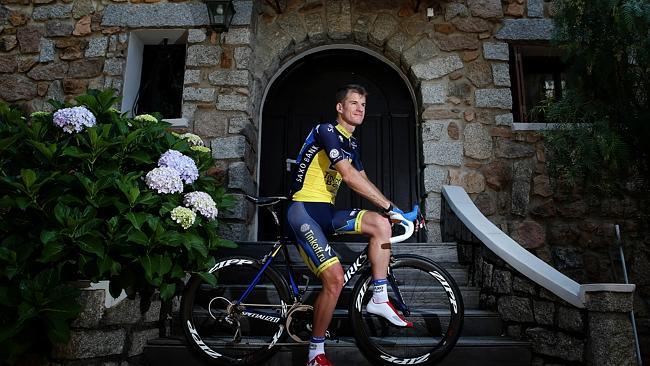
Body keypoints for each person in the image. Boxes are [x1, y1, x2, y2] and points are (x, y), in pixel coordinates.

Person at [286, 84, 412, 366]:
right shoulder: (326, 131)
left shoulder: (352, 144)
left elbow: (363, 182)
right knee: (335, 278)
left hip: (327, 213)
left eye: (363, 105)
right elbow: (349, 177)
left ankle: (379, 297)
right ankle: (315, 353)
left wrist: (391, 212)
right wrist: (390, 205)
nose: (359, 109)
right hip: (303, 211)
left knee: (380, 224)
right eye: (353, 103)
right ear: (339, 108)